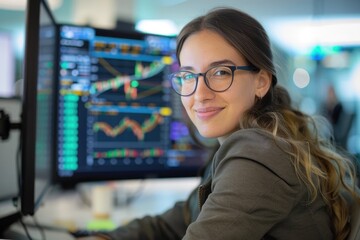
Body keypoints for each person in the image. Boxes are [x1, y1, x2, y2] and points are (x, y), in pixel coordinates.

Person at [78, 7, 359, 240]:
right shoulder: (247, 144)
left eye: (221, 72)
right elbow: (174, 222)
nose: (200, 94)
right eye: (188, 76)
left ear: (261, 81)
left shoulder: (259, 154)